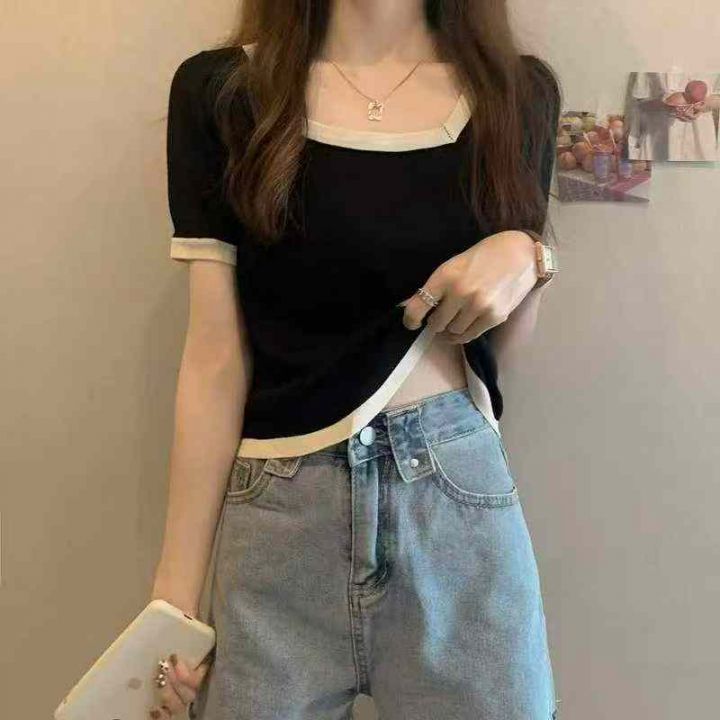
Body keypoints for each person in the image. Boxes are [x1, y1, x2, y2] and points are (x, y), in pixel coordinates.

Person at [149, 1, 562, 718]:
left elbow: (499, 350)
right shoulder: (222, 93)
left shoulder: (516, 93)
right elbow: (214, 360)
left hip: (454, 504)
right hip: (279, 515)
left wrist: (529, 256)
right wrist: (172, 602)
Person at [627, 71, 720, 161]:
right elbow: (640, 99)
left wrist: (704, 105)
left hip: (700, 141)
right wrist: (665, 102)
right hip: (658, 139)